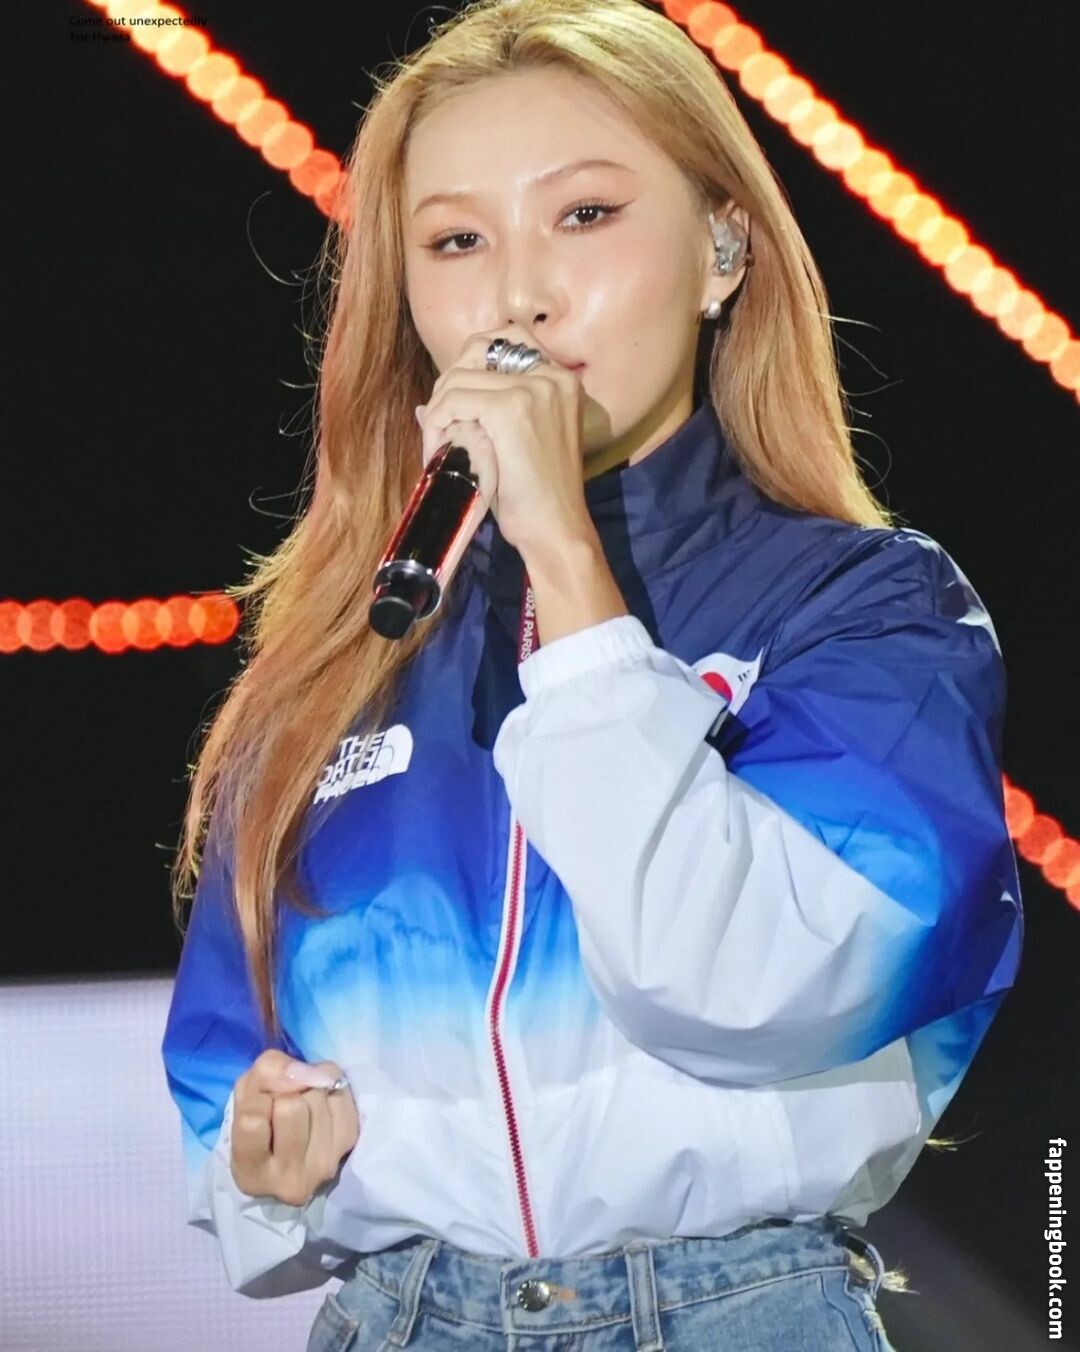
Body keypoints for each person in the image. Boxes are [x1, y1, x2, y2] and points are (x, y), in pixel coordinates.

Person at [161, 1, 1024, 1347]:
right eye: (457, 241)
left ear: (723, 249)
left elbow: (758, 991)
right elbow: (226, 1073)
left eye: (584, 216)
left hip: (733, 1310)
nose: (518, 296)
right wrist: (267, 1168)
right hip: (404, 1316)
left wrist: (564, 556)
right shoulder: (342, 655)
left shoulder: (867, 610)